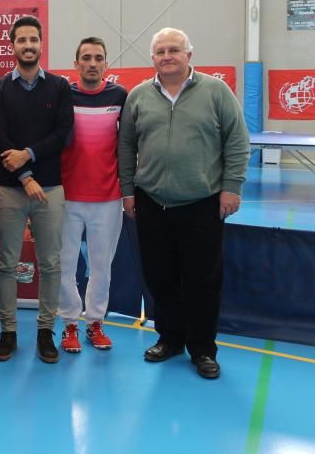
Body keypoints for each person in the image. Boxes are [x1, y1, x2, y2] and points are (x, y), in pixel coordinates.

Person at [118, 28, 249, 379]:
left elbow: (237, 140)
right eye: (160, 51)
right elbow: (127, 146)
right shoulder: (139, 96)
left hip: (201, 203)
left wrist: (231, 187)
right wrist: (128, 191)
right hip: (151, 203)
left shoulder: (216, 91)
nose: (167, 56)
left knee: (202, 280)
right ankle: (170, 338)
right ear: (153, 59)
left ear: (189, 55)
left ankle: (203, 349)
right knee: (160, 277)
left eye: (174, 49)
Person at [0, 15, 73, 364]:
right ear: (12, 46)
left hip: (51, 190)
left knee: (51, 264)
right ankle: (8, 333)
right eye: (21, 40)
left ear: (41, 43)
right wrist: (25, 176)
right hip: (11, 190)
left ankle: (45, 332)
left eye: (33, 39)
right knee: (6, 263)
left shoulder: (60, 87)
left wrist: (30, 155)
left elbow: (63, 133)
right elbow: (0, 138)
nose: (28, 45)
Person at [58, 38, 128, 353]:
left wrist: (128, 190)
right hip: (67, 197)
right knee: (65, 265)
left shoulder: (120, 97)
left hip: (108, 198)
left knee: (102, 266)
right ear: (76, 64)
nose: (92, 63)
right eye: (85, 57)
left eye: (98, 58)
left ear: (106, 64)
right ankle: (70, 323)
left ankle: (95, 322)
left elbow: (127, 147)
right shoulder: (63, 96)